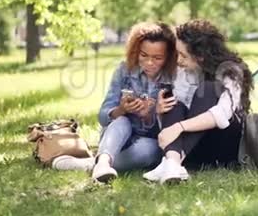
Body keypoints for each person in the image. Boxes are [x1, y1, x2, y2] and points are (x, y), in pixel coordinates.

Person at [53, 22, 178, 183]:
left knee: (153, 150)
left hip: (148, 141)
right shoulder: (124, 70)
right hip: (117, 137)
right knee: (122, 121)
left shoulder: (173, 78)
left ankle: (93, 164)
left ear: (168, 57)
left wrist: (151, 115)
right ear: (135, 51)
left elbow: (170, 128)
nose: (149, 63)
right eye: (144, 55)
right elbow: (103, 116)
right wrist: (121, 109)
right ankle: (103, 162)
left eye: (157, 58)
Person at [142, 20, 253, 183]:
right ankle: (172, 163)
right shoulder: (186, 70)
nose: (178, 60)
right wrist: (160, 111)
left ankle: (171, 163)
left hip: (225, 145)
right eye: (177, 53)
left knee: (208, 88)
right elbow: (177, 111)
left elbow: (221, 115)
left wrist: (179, 127)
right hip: (194, 149)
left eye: (183, 55)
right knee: (173, 101)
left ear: (200, 56)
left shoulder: (231, 71)